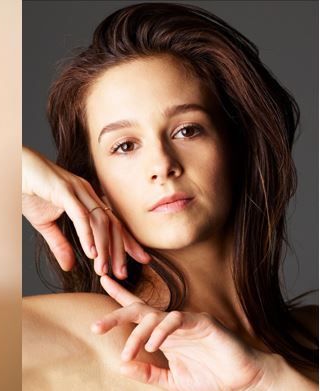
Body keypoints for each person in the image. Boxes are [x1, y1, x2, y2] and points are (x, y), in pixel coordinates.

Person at [21, 3, 318, 389]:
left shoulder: (313, 334)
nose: (162, 164)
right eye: (125, 146)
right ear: (94, 184)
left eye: (187, 130)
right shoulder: (88, 335)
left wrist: (272, 383)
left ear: (238, 146)